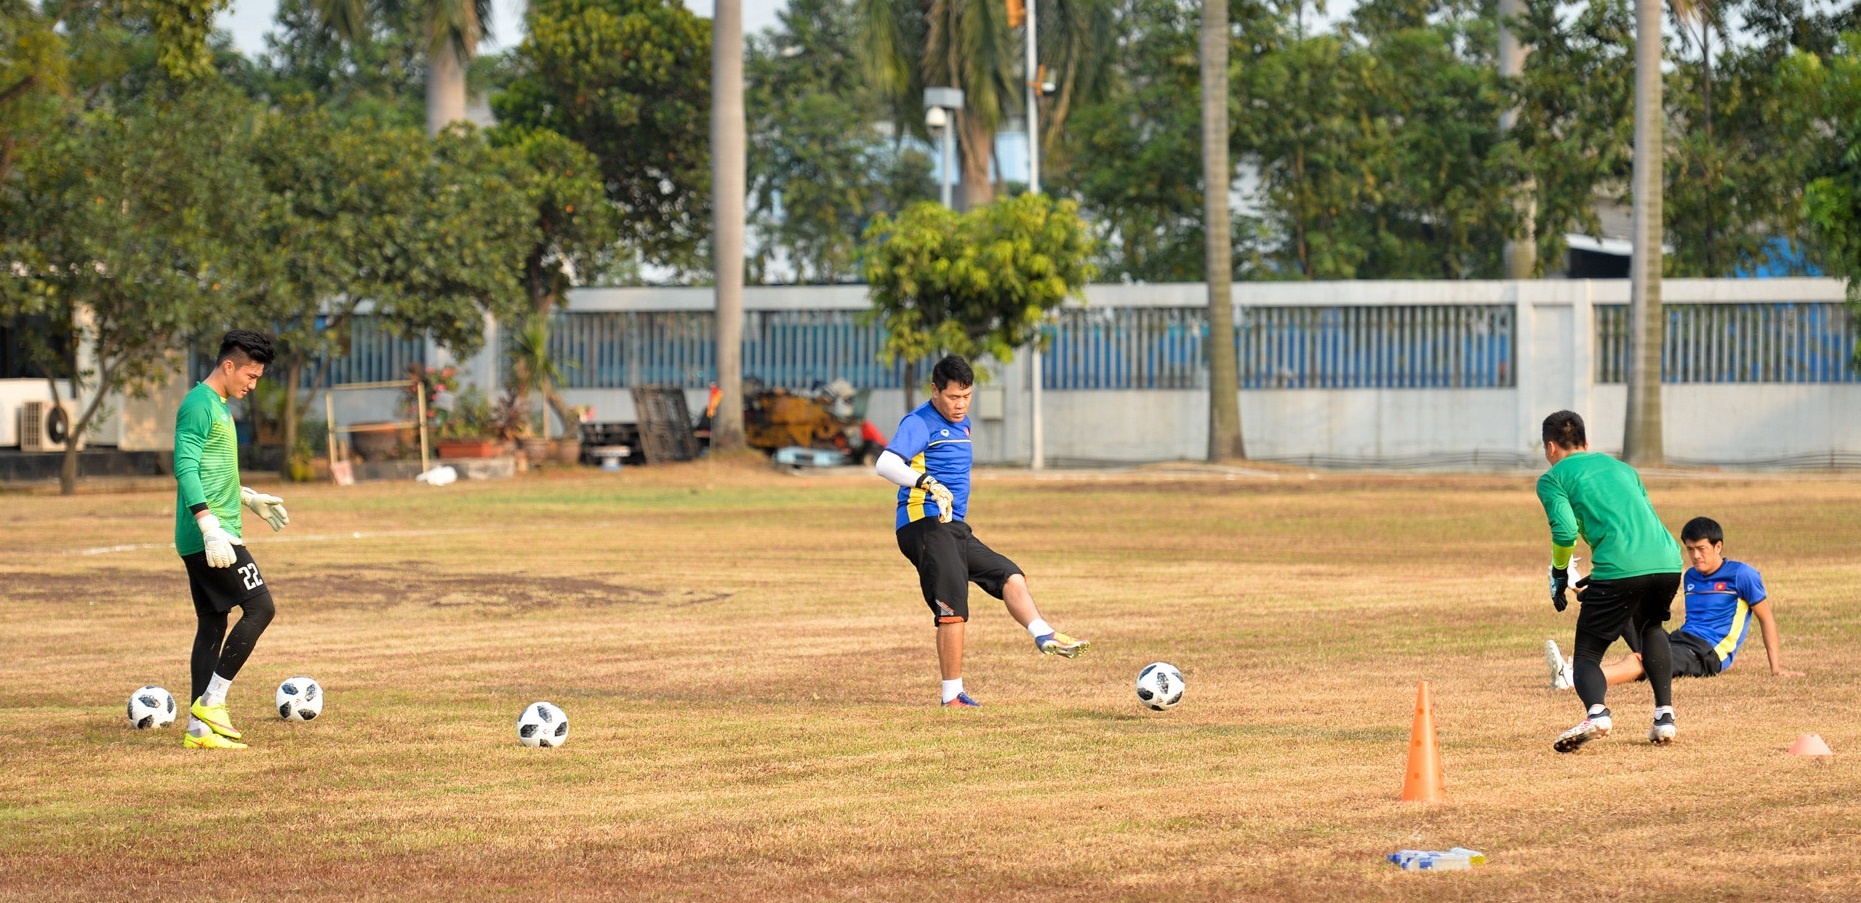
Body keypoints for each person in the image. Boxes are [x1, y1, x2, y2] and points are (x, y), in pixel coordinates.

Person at [873, 355, 1090, 707]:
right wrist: (926, 482)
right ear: (935, 390)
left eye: (967, 396)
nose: (960, 405)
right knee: (953, 607)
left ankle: (1043, 634)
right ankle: (952, 696)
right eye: (953, 397)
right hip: (923, 524)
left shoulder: (964, 424)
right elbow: (885, 463)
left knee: (1010, 576)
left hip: (953, 527)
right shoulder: (919, 422)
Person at [1536, 410, 1685, 752]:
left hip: (1620, 566)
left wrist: (1560, 573)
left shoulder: (1553, 478)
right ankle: (1664, 718)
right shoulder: (1623, 469)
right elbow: (1639, 522)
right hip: (1666, 561)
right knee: (1650, 629)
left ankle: (1597, 714)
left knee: (1587, 653)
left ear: (1550, 447)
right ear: (1587, 443)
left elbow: (1564, 530)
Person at [174, 330, 292, 749]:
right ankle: (213, 700)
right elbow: (185, 467)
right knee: (261, 608)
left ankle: (199, 731)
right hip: (212, 534)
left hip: (216, 527)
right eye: (251, 374)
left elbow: (211, 469)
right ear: (228, 365)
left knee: (212, 622)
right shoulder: (199, 404)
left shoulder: (219, 406)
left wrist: (246, 497)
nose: (253, 384)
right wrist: (209, 525)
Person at [1545, 516, 1801, 689]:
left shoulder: (1742, 575)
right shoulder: (1690, 576)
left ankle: (1574, 679)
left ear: (1718, 546)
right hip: (1679, 640)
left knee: (1643, 662)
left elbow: (1766, 619)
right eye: (1690, 549)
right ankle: (1576, 589)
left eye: (1701, 549)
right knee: (1619, 603)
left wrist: (1776, 669)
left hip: (1706, 654)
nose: (1695, 556)